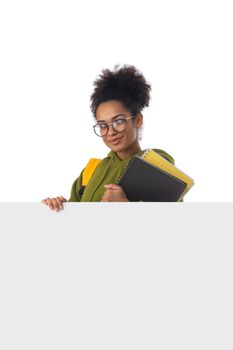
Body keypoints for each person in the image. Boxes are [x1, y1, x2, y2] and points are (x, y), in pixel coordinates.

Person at [42, 64, 175, 211]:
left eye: (118, 121)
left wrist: (125, 205)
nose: (110, 132)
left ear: (137, 120)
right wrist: (59, 206)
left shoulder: (155, 161)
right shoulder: (91, 170)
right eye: (103, 125)